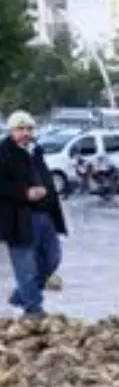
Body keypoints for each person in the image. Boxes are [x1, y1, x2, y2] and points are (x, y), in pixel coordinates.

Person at [0, 112, 66, 317]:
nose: (26, 133)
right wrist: (24, 192)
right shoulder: (4, 153)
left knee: (52, 259)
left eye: (29, 129)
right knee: (26, 265)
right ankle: (33, 309)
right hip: (19, 218)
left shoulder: (36, 151)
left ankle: (22, 295)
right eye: (20, 129)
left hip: (45, 215)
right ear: (11, 131)